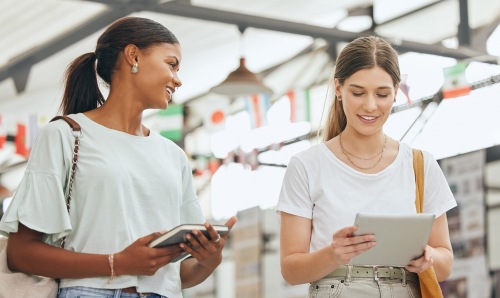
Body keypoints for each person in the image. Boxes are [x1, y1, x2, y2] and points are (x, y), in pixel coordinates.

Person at [0, 17, 236, 298]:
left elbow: (179, 274)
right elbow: (20, 253)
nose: (178, 79)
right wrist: (117, 263)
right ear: (133, 55)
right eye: (171, 64)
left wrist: (209, 260)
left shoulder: (174, 156)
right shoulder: (65, 135)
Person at [277, 36, 456, 297]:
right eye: (358, 92)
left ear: (396, 92)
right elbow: (290, 270)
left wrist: (428, 259)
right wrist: (333, 254)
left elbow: (446, 262)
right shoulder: (306, 166)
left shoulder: (421, 164)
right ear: (338, 89)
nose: (370, 105)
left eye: (382, 94)